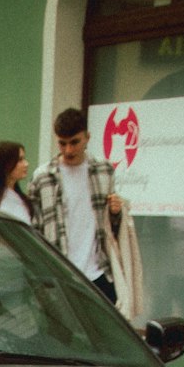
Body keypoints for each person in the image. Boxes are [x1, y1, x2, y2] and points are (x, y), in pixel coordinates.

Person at [27, 107, 122, 302]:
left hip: (98, 273)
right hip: (59, 274)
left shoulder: (104, 171)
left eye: (74, 142)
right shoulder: (43, 176)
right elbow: (34, 229)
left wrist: (115, 213)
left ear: (87, 137)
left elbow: (112, 228)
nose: (68, 150)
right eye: (62, 144)